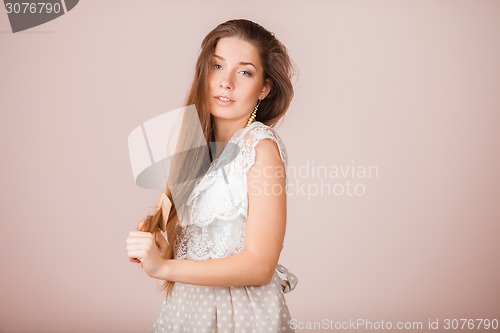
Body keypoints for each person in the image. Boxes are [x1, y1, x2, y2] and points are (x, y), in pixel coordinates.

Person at [126, 18, 298, 332]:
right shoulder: (196, 149)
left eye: (244, 71)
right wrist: (165, 251)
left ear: (264, 88)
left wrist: (165, 267)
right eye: (217, 66)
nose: (226, 82)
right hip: (189, 310)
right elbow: (202, 248)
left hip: (239, 316)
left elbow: (260, 265)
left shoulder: (259, 147)